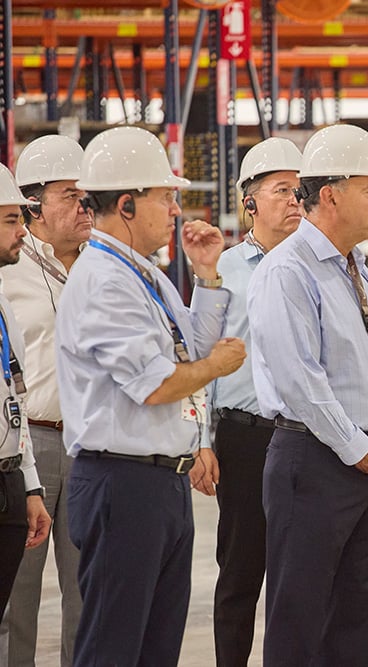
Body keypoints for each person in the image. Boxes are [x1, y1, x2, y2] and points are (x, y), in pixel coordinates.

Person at [54, 126, 246, 665]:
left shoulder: (144, 274)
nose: (176, 210)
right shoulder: (105, 281)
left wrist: (207, 276)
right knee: (113, 647)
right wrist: (215, 367)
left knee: (156, 647)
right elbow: (158, 385)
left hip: (161, 481)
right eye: (165, 197)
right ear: (126, 205)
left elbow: (188, 352)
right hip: (123, 483)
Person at [247, 124, 368, 666]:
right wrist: (360, 449)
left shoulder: (356, 267)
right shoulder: (288, 271)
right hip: (315, 463)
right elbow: (300, 380)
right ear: (330, 195)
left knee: (355, 624)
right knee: (301, 621)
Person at [207, 137, 302, 666]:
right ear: (250, 202)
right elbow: (201, 359)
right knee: (241, 570)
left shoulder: (317, 264)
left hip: (304, 435)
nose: (294, 200)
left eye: (299, 191)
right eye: (281, 190)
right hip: (243, 436)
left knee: (299, 574)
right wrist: (201, 441)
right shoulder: (224, 268)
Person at [0, 135, 87, 667]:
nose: (84, 207)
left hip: (91, 443)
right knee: (17, 596)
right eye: (70, 196)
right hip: (30, 440)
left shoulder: (104, 265)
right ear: (33, 205)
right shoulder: (10, 268)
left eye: (87, 196)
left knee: (88, 589)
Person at [0, 162, 51, 619]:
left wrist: (29, 484)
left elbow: (14, 399)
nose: (22, 231)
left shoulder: (3, 304)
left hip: (10, 480)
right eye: (11, 220)